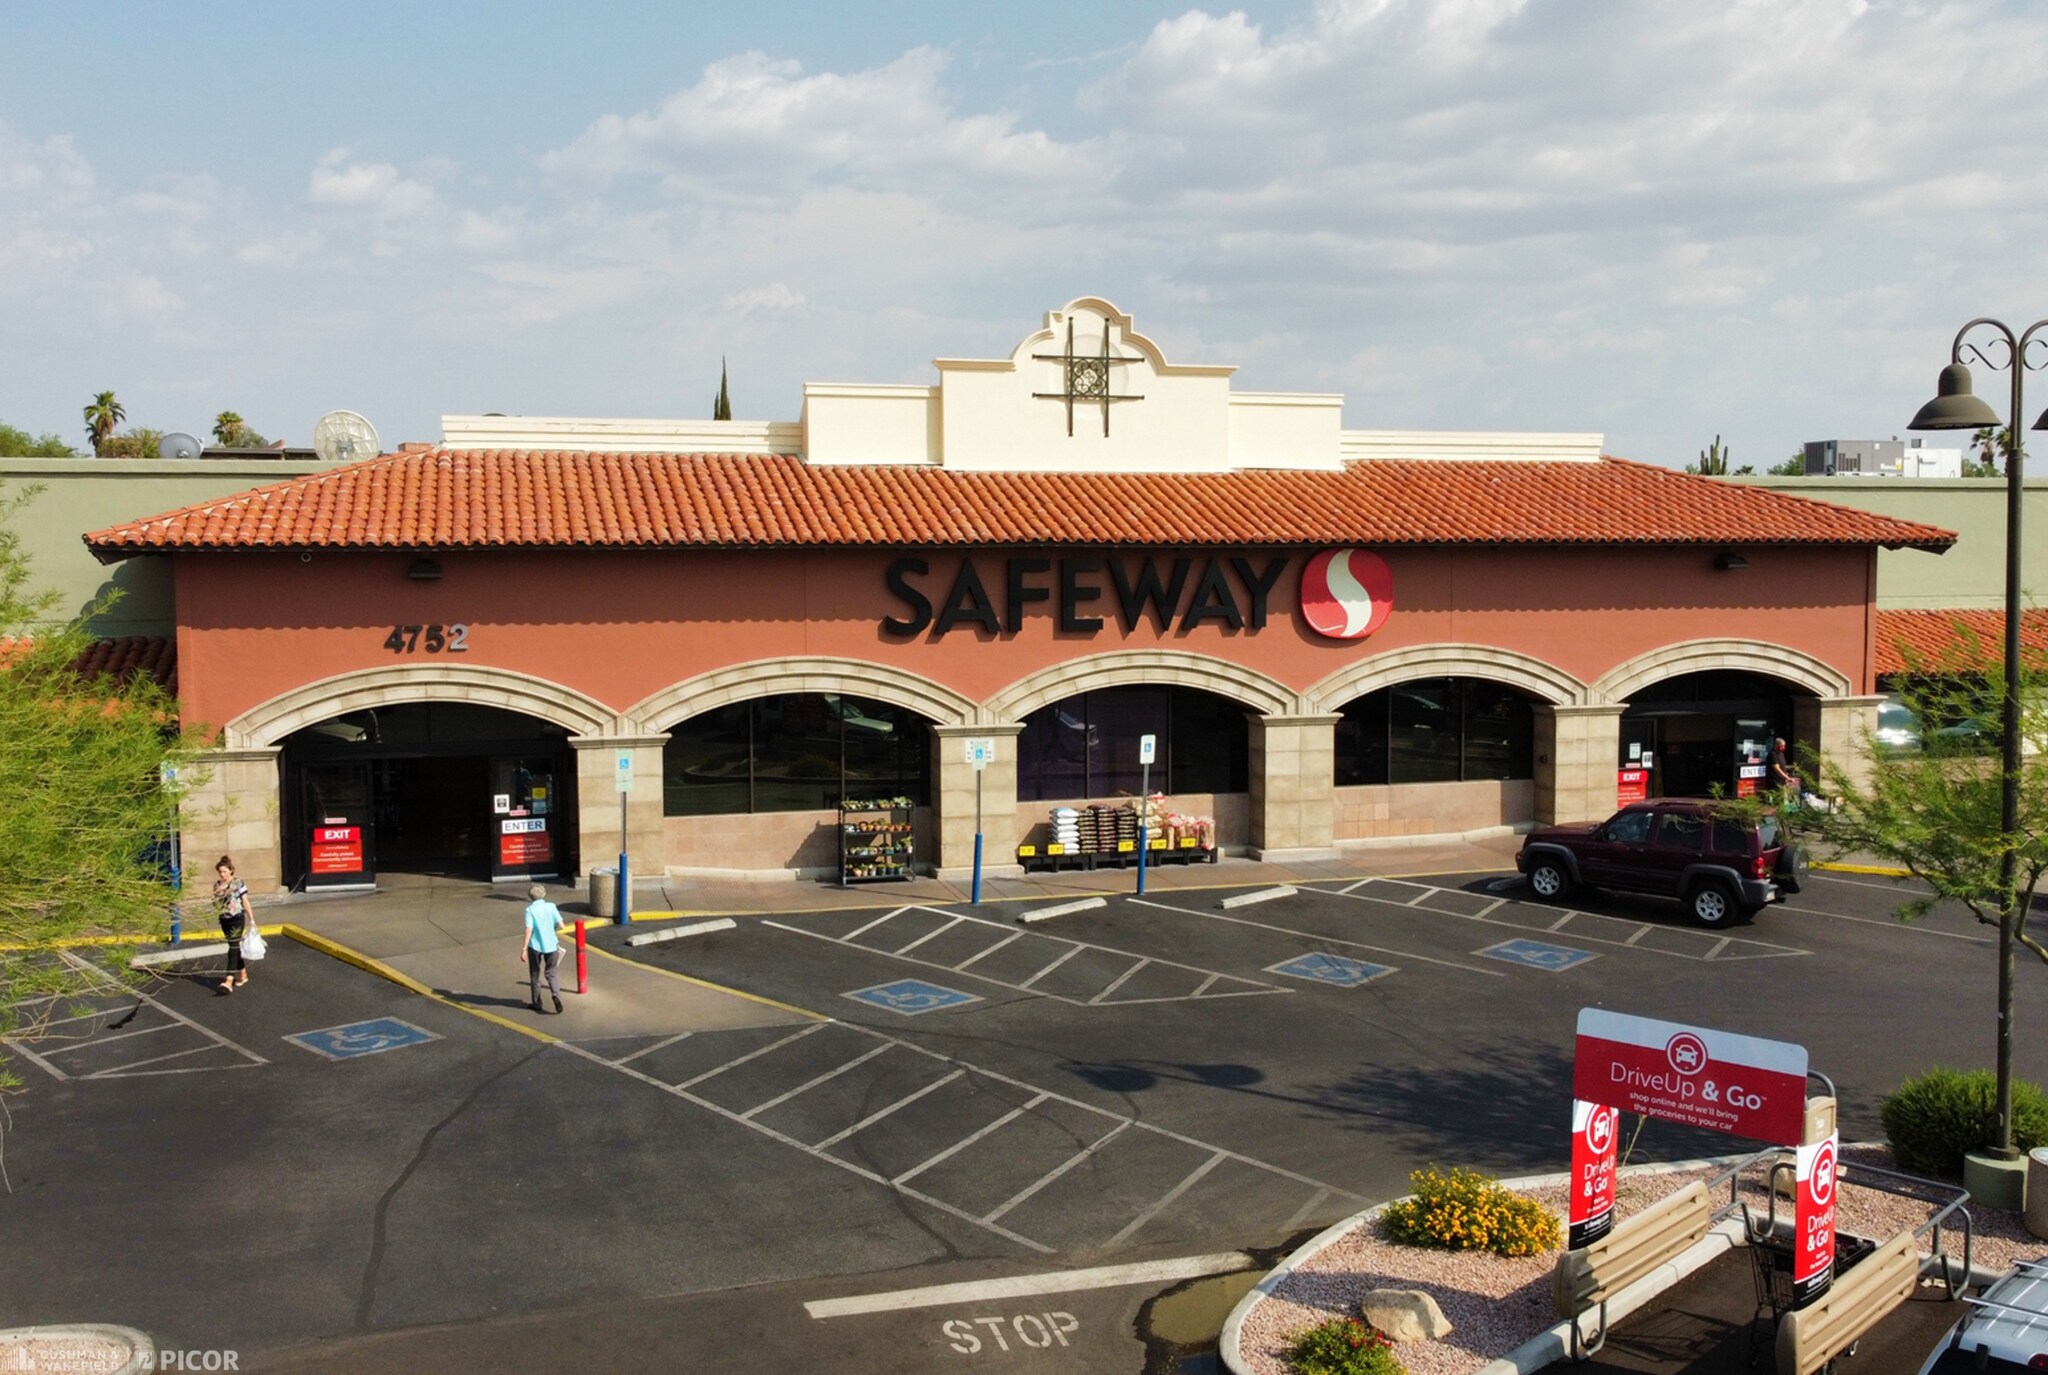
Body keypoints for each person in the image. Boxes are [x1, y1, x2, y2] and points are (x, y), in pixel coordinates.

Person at [522, 884, 563, 1014]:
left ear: (530, 897)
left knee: (535, 974)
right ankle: (555, 995)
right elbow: (561, 925)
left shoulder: (530, 910)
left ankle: (537, 1003)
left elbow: (529, 930)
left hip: (535, 946)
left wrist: (523, 949)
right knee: (551, 973)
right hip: (552, 945)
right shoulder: (551, 906)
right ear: (544, 894)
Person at [213, 856, 252, 994]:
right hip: (225, 918)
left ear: (231, 871)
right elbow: (216, 903)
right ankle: (243, 973)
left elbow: (245, 901)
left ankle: (229, 980)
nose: (222, 874)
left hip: (237, 917)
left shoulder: (238, 883)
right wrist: (218, 894)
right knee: (233, 946)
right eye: (220, 872)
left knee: (233, 946)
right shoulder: (217, 885)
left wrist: (251, 919)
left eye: (224, 871)